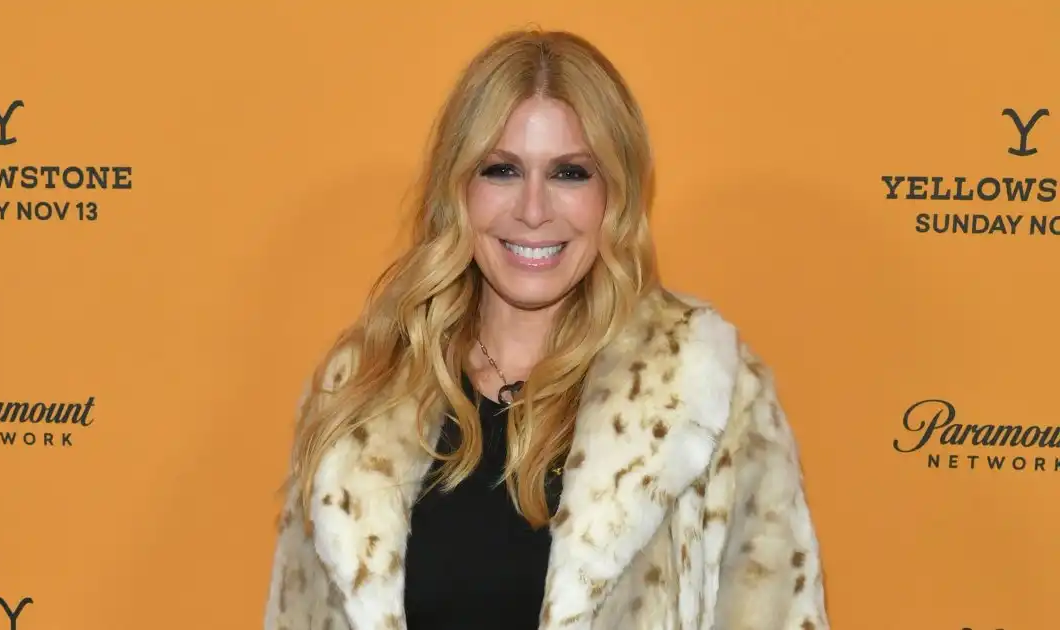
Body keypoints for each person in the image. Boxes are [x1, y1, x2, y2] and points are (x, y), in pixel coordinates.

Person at [264, 27, 830, 630]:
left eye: (569, 174)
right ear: (458, 189)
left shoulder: (704, 393)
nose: (533, 210)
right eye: (502, 170)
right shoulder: (363, 392)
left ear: (615, 194)